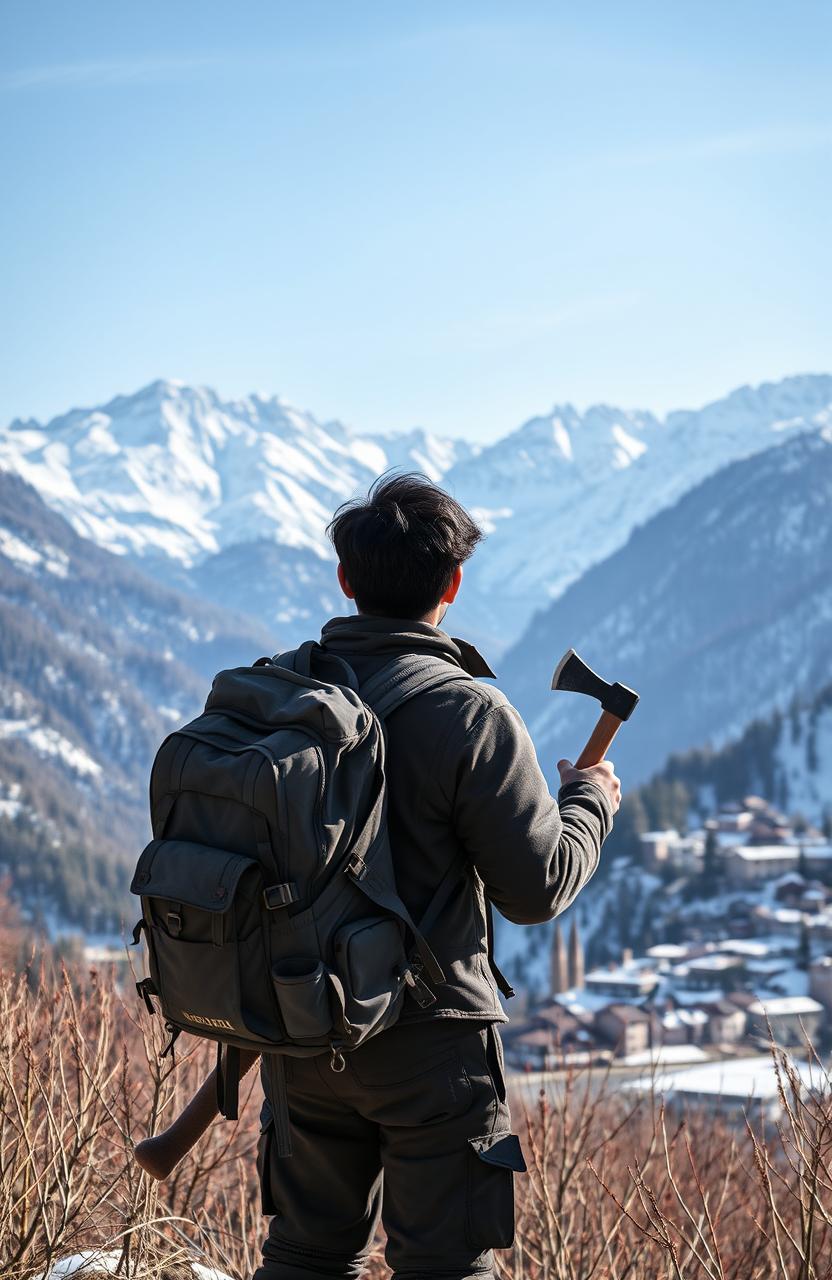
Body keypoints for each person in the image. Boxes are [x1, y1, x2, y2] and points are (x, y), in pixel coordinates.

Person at [253, 471, 620, 1280]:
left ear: (346, 581)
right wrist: (588, 802)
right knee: (444, 1268)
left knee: (305, 1258)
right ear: (453, 584)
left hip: (303, 1031)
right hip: (431, 1050)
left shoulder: (280, 691)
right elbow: (536, 888)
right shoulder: (471, 715)